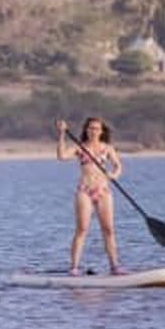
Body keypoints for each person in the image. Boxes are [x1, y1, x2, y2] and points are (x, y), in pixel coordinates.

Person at [54, 116, 126, 276]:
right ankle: (74, 268)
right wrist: (62, 135)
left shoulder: (107, 148)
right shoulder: (80, 147)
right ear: (86, 130)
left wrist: (114, 175)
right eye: (90, 128)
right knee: (82, 229)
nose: (93, 131)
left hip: (103, 191)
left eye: (96, 128)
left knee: (108, 230)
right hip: (85, 191)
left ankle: (115, 266)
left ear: (101, 131)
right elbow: (61, 156)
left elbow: (118, 166)